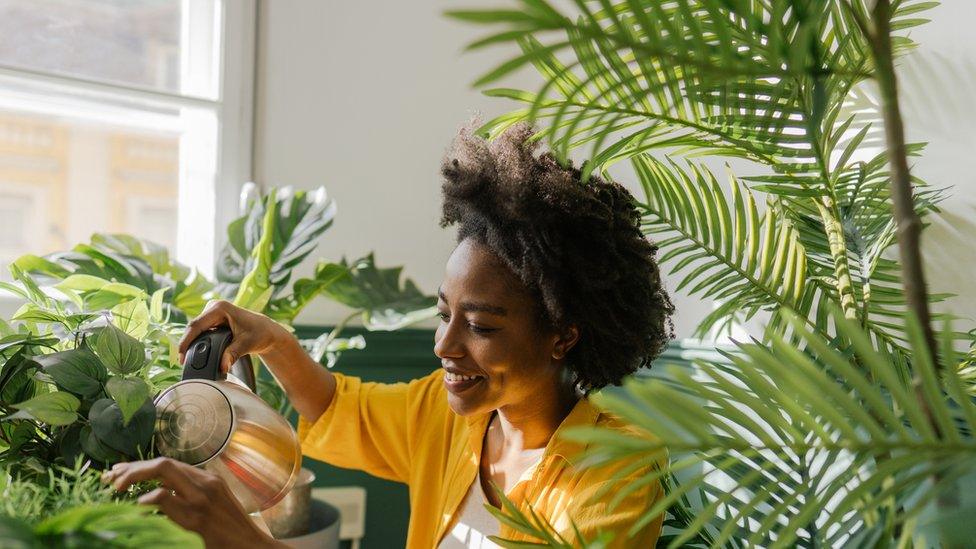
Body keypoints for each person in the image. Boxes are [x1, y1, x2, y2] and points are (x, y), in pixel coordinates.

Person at [103, 123, 674, 548]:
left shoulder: (618, 470)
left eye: (479, 326)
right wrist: (274, 340)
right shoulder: (450, 417)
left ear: (563, 336)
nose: (444, 346)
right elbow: (338, 408)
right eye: (442, 314)